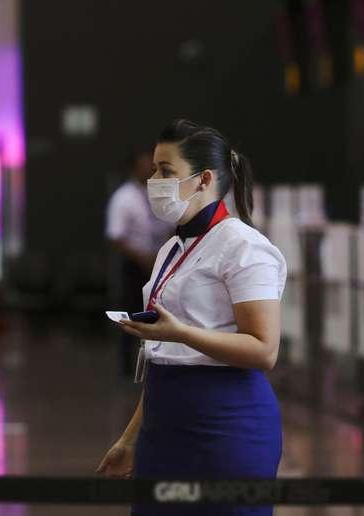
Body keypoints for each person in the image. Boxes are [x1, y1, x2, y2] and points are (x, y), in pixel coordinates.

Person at [96, 119, 286, 516]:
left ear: (204, 180)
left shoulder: (244, 247)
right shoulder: (173, 247)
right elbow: (164, 356)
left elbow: (264, 349)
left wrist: (182, 333)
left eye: (167, 171)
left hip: (225, 422)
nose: (154, 180)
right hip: (164, 422)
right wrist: (131, 437)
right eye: (153, 170)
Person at [106, 151, 173, 376]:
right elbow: (115, 236)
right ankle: (127, 370)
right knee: (131, 315)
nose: (151, 171)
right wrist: (142, 258)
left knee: (161, 314)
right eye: (147, 166)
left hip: (161, 263)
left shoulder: (160, 194)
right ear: (134, 168)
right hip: (135, 264)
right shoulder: (123, 197)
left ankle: (158, 364)